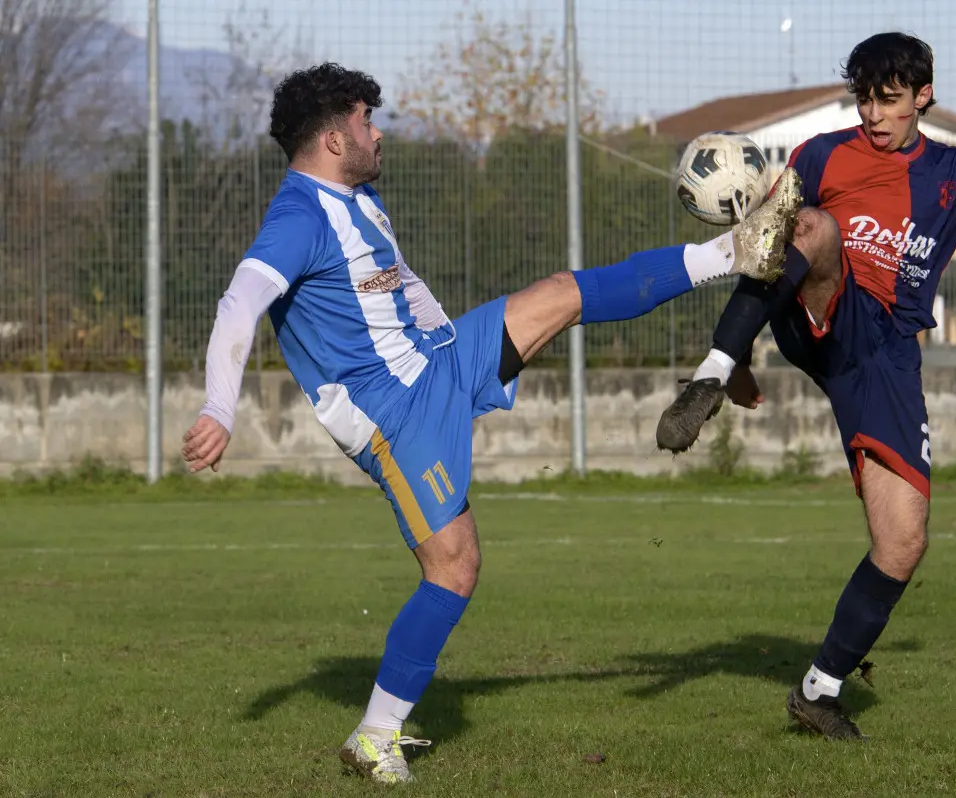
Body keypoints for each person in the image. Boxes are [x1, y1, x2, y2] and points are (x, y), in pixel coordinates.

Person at [179, 62, 801, 783]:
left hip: (438, 362)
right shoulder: (299, 216)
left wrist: (465, 353)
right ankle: (374, 735)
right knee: (455, 564)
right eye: (364, 124)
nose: (377, 134)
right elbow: (238, 301)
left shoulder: (359, 198)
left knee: (562, 292)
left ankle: (735, 251)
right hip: (394, 412)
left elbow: (400, 283)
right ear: (330, 139)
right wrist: (218, 407)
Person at [655, 32, 956, 740]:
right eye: (865, 99)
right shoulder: (823, 155)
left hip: (885, 356)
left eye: (889, 100)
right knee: (813, 227)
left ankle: (817, 690)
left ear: (923, 97)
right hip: (823, 312)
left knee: (902, 542)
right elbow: (771, 248)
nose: (874, 114)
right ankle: (708, 372)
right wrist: (740, 351)